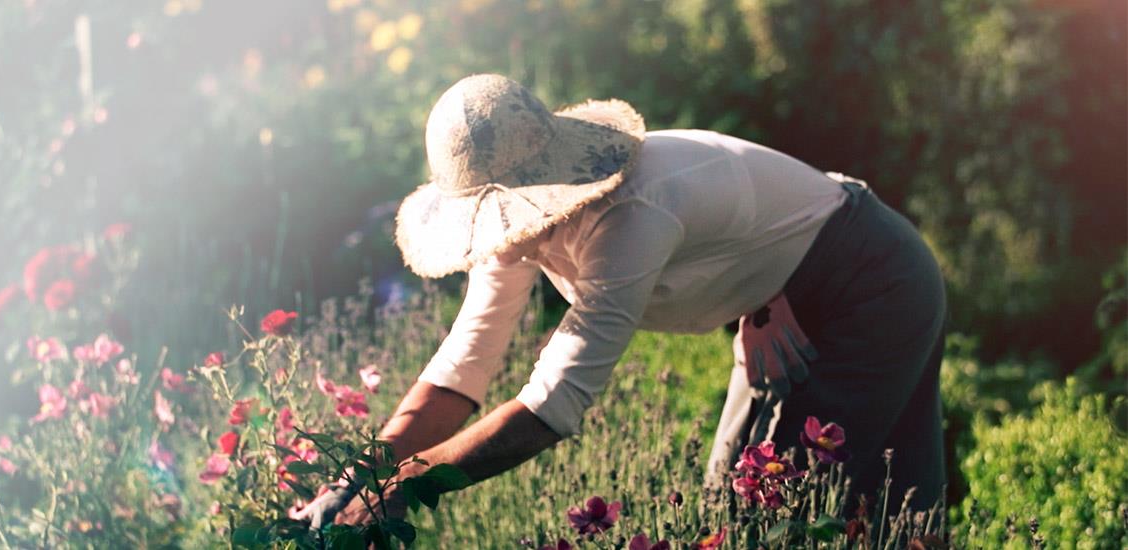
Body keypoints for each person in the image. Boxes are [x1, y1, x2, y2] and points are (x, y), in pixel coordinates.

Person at [296, 73, 947, 527]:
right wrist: (358, 475)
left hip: (867, 283)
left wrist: (407, 488)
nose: (506, 227)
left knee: (767, 508)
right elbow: (465, 363)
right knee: (821, 507)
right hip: (799, 281)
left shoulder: (628, 217)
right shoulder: (515, 235)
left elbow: (555, 404)